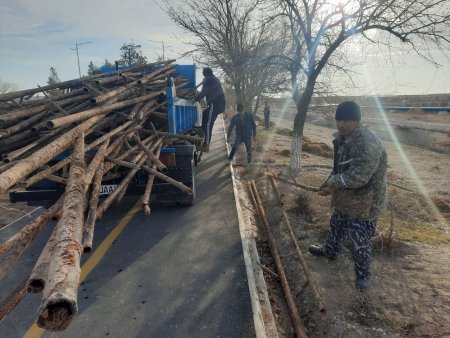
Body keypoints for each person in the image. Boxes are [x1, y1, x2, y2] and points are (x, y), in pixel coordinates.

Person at [308, 101, 387, 291]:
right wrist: (327, 183)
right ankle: (330, 251)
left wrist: (332, 184)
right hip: (346, 198)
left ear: (357, 121)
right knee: (336, 224)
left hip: (366, 202)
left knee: (359, 240)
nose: (342, 124)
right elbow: (338, 169)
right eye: (339, 120)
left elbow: (359, 177)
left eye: (347, 120)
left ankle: (363, 276)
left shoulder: (368, 143)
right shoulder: (342, 139)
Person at [194, 67, 226, 152]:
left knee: (208, 125)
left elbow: (203, 93)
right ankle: (201, 130)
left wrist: (194, 99)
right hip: (219, 104)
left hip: (215, 104)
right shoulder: (214, 79)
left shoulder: (208, 79)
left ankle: (206, 145)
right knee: (205, 115)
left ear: (205, 73)